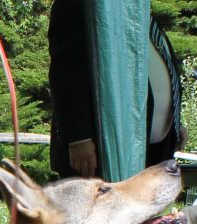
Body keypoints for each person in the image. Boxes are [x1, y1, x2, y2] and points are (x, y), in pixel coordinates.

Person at [48, 0, 185, 178]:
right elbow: (66, 70)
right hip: (100, 154)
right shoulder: (82, 5)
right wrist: (78, 138)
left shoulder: (136, 11)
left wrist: (174, 122)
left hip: (149, 152)